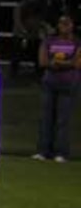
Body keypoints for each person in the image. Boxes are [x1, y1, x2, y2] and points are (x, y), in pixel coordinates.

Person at [36, 13, 77, 160]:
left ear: (72, 25)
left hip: (68, 83)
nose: (64, 26)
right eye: (61, 23)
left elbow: (77, 62)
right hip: (50, 82)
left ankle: (61, 152)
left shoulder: (77, 42)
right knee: (46, 117)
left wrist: (60, 64)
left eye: (67, 23)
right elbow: (42, 61)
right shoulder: (49, 41)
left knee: (62, 119)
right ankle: (43, 150)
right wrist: (58, 63)